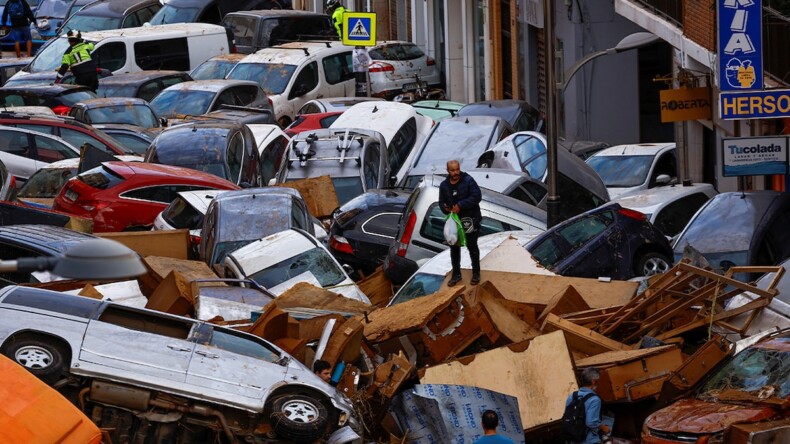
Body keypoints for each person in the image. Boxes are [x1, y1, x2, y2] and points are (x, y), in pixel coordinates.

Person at [439, 159, 482, 287]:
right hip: (455, 222)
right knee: (454, 247)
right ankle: (456, 274)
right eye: (452, 170)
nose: (455, 172)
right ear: (448, 171)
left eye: (457, 169)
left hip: (470, 220)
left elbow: (477, 196)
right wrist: (445, 208)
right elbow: (441, 202)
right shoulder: (444, 185)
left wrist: (460, 205)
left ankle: (476, 273)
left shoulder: (468, 180)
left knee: (472, 246)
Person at [563, 368, 610, 444]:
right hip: (590, 440)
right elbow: (591, 422)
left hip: (573, 439)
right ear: (593, 381)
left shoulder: (572, 396)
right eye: (598, 381)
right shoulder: (594, 399)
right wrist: (603, 427)